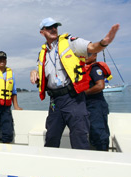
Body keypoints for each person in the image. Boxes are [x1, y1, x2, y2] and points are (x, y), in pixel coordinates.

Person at [29, 17, 119, 149]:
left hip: (73, 99)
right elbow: (43, 71)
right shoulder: (42, 54)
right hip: (55, 101)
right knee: (51, 138)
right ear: (42, 32)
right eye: (49, 27)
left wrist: (103, 43)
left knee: (79, 138)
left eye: (55, 26)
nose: (53, 29)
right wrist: (34, 72)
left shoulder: (70, 42)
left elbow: (92, 47)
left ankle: (82, 168)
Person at [84, 53, 112, 151]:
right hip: (89, 105)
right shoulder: (85, 69)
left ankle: (103, 155)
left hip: (96, 105)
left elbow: (100, 86)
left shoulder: (95, 69)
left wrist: (85, 93)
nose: (84, 56)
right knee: (92, 132)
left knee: (99, 133)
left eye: (88, 54)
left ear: (95, 56)